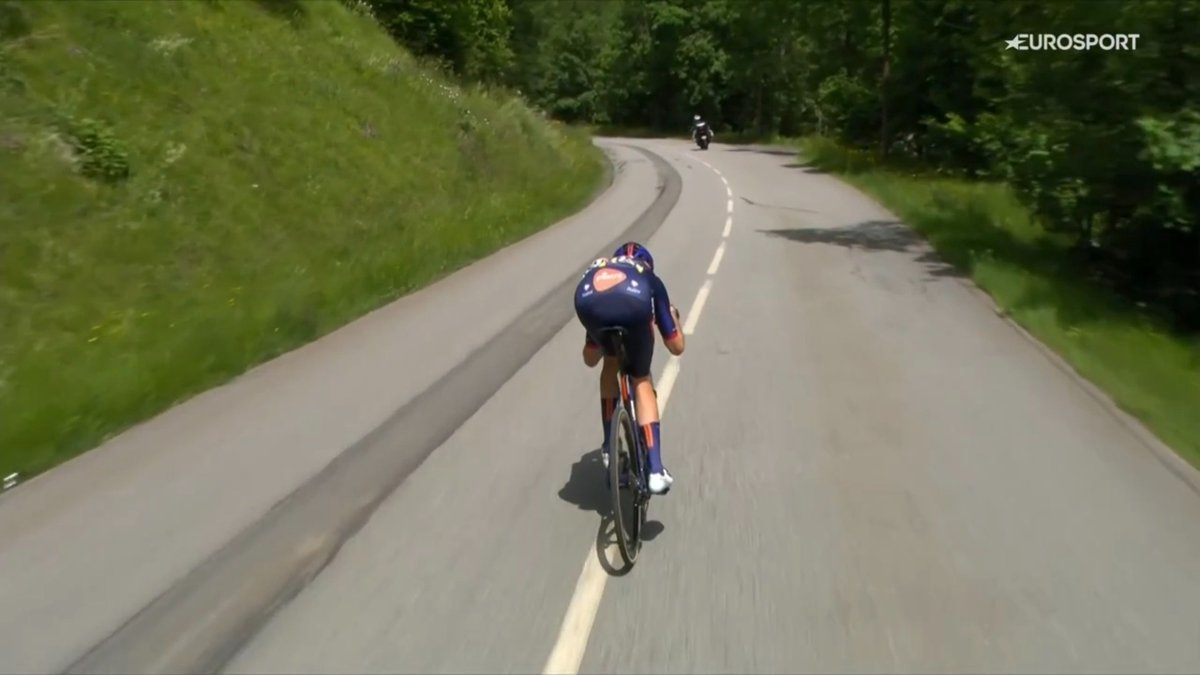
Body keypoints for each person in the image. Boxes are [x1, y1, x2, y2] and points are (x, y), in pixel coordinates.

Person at [573, 242, 685, 494]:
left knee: (609, 363)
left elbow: (590, 359)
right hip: (635, 302)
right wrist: (671, 315)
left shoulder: (601, 268)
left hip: (588, 299)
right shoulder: (649, 278)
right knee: (641, 379)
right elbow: (676, 346)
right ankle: (655, 470)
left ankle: (608, 449)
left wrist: (599, 341)